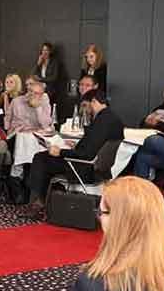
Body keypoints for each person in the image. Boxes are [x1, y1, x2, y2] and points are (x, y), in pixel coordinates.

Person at [26, 89, 124, 217]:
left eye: (85, 105)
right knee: (45, 159)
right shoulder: (112, 118)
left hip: (84, 168)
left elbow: (87, 154)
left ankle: (38, 202)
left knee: (41, 158)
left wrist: (60, 152)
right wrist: (76, 146)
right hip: (98, 168)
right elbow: (94, 145)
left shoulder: (101, 121)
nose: (84, 110)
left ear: (93, 102)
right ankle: (45, 201)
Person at [5, 78, 53, 177]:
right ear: (28, 91)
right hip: (16, 136)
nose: (34, 95)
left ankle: (32, 174)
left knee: (40, 145)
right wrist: (13, 129)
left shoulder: (44, 103)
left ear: (42, 94)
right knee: (24, 140)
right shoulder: (17, 101)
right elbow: (7, 119)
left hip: (34, 137)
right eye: (32, 92)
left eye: (38, 93)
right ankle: (18, 172)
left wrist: (38, 108)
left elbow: (46, 124)